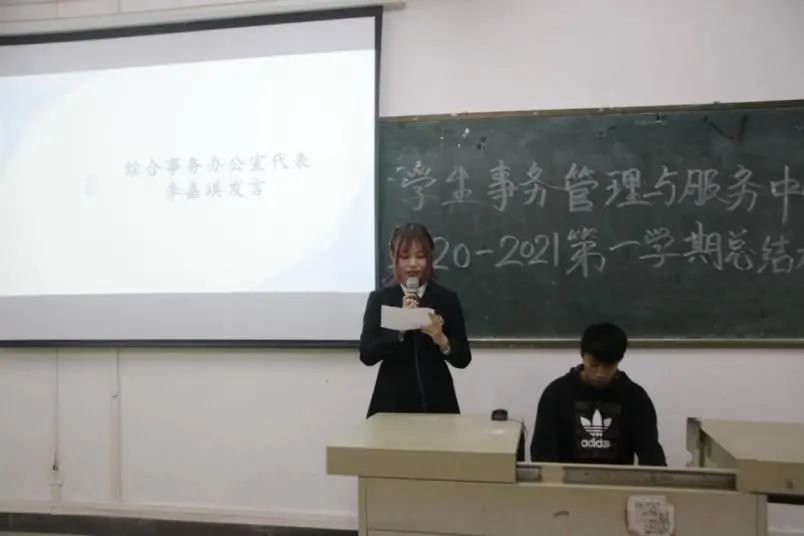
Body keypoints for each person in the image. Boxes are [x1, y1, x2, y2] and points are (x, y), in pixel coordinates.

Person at [360, 222, 471, 417]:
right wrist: (400, 327)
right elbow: (367, 355)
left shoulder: (446, 299)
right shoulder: (381, 299)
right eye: (405, 257)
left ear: (430, 258)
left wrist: (441, 340)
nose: (412, 264)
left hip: (437, 399)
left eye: (420, 256)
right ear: (393, 257)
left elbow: (463, 359)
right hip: (391, 401)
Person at [529, 322, 666, 466]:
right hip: (566, 478)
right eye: (594, 365)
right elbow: (542, 451)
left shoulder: (635, 397)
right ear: (582, 355)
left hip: (617, 478)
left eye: (608, 366)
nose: (600, 373)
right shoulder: (556, 393)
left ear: (619, 361)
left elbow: (650, 453)